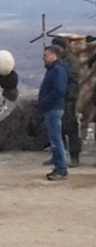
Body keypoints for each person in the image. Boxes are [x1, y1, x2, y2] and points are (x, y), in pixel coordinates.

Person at [45, 37, 81, 167]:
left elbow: (73, 79)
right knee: (57, 130)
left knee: (71, 128)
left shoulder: (71, 60)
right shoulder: (57, 61)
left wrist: (68, 94)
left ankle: (74, 156)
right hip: (58, 99)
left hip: (69, 98)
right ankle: (57, 156)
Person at [39, 45, 69, 181]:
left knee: (56, 140)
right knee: (55, 139)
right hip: (52, 108)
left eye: (46, 55)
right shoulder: (55, 70)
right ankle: (59, 167)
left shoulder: (57, 71)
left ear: (53, 56)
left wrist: (45, 102)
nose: (43, 58)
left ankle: (61, 169)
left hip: (53, 108)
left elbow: (59, 90)